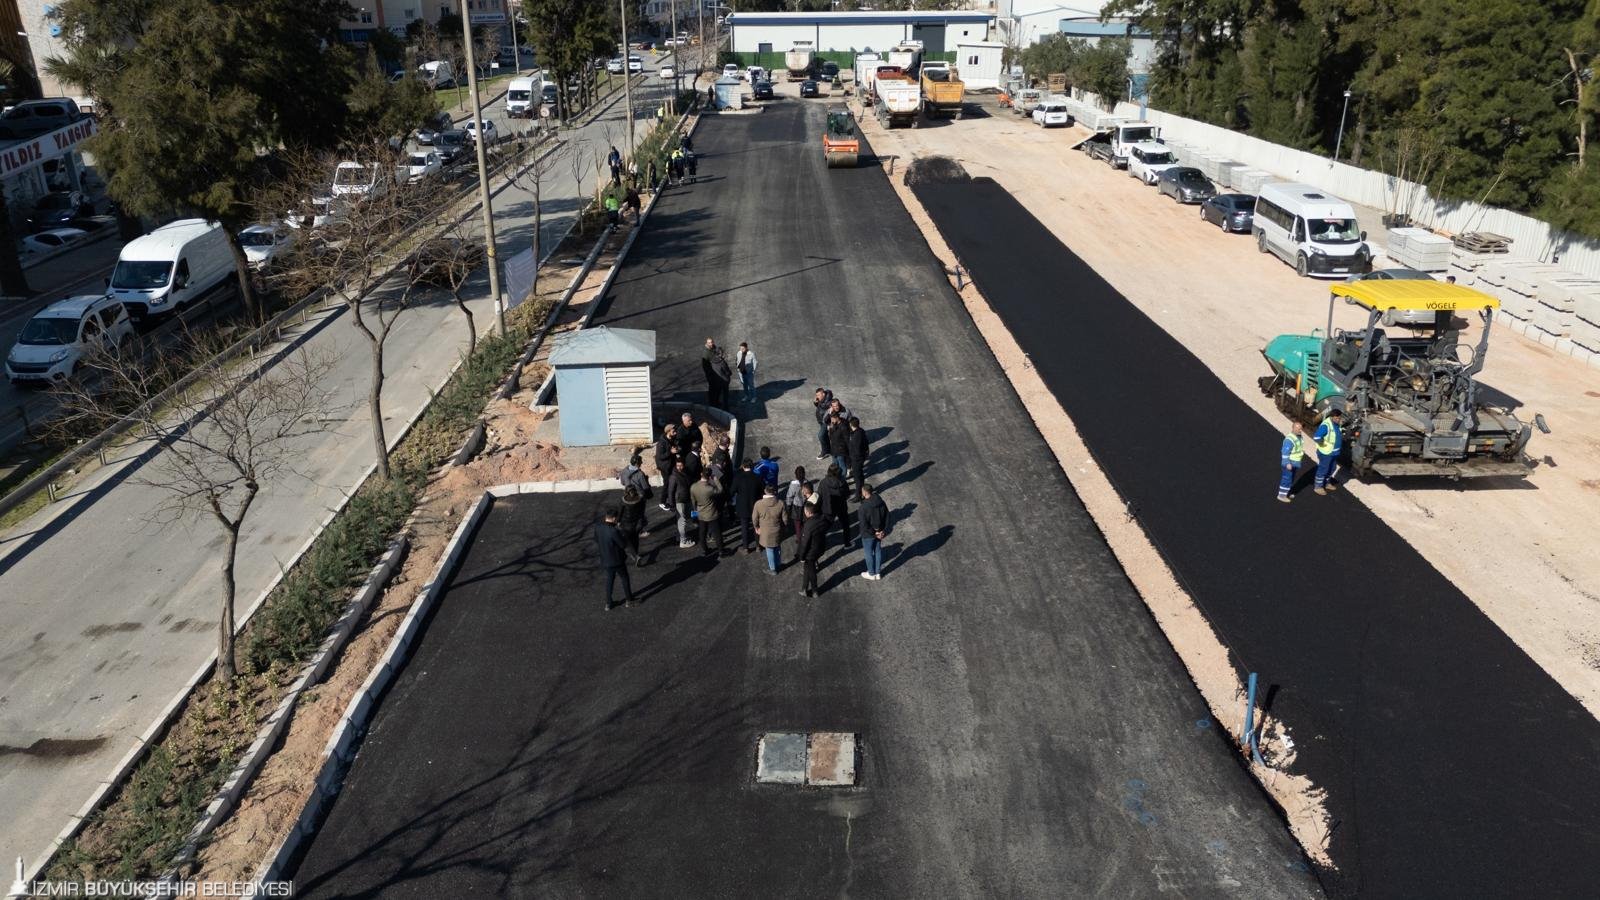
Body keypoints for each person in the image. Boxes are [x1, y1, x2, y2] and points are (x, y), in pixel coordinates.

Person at [594, 510, 636, 610]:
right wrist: (622, 532)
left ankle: (608, 603)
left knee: (610, 580)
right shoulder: (614, 531)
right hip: (617, 560)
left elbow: (596, 539)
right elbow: (623, 545)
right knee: (624, 578)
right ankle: (629, 600)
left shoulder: (598, 527)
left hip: (605, 560)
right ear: (613, 518)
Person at [857, 482, 889, 580]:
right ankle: (878, 573)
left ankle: (871, 573)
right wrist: (882, 530)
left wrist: (874, 533)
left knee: (869, 552)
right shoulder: (881, 502)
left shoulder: (863, 507)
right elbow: (887, 516)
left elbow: (864, 524)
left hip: (868, 534)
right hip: (880, 532)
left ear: (864, 493)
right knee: (878, 550)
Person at [816, 464, 853, 548]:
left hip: (828, 507)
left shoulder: (823, 482)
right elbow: (847, 494)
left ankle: (819, 544)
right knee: (845, 525)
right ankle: (847, 543)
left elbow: (819, 495)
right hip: (841, 507)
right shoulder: (842, 482)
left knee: (824, 527)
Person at [689, 470, 725, 556]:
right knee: (717, 533)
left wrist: (695, 512)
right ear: (709, 477)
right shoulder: (709, 489)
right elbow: (720, 490)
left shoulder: (693, 487)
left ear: (701, 474)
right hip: (711, 513)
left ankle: (705, 550)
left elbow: (693, 501)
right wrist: (715, 479)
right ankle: (721, 550)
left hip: (701, 513)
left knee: (702, 532)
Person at [752, 484, 786, 574]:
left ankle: (772, 569)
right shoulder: (781, 503)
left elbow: (754, 519)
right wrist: (783, 527)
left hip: (765, 532)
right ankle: (778, 564)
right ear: (775, 491)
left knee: (769, 549)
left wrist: (756, 527)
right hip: (777, 530)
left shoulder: (758, 504)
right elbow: (785, 519)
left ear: (765, 491)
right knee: (777, 547)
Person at [732, 458, 764, 553]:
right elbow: (762, 491)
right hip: (755, 505)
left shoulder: (738, 478)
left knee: (744, 527)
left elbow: (732, 491)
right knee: (756, 525)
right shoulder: (757, 477)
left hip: (743, 506)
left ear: (743, 466)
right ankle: (758, 546)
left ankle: (746, 547)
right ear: (752, 466)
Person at [618, 454, 653, 535]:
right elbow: (645, 487)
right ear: (637, 463)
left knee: (630, 514)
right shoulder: (640, 474)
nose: (641, 463)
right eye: (640, 462)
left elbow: (622, 482)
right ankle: (640, 531)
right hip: (639, 497)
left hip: (628, 496)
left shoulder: (624, 470)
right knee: (640, 514)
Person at [798, 504, 827, 598]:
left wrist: (801, 556)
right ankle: (804, 589)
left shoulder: (808, 525)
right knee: (807, 568)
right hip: (820, 548)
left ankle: (815, 590)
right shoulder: (822, 519)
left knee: (811, 571)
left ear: (808, 512)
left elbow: (804, 543)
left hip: (810, 553)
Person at [1312, 409, 1343, 495]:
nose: (1338, 420)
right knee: (1323, 469)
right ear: (1332, 417)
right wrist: (1322, 443)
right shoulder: (1326, 426)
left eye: (1339, 418)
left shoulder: (1337, 424)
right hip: (1326, 452)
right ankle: (1318, 487)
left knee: (1332, 468)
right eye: (1336, 418)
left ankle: (1326, 483)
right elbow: (1317, 437)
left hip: (1334, 452)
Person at [618, 486, 650, 565]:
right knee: (635, 539)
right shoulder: (640, 499)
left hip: (626, 523)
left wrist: (618, 521)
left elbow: (620, 512)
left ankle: (635, 556)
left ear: (626, 492)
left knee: (628, 540)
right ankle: (636, 554)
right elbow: (642, 511)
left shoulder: (623, 500)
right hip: (637, 523)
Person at [668, 458, 695, 548]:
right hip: (679, 501)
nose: (679, 467)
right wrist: (672, 504)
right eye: (678, 466)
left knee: (682, 519)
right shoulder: (673, 476)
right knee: (682, 521)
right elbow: (670, 491)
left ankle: (680, 536)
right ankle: (683, 541)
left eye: (681, 465)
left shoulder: (685, 473)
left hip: (685, 499)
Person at [1277, 421, 1306, 503]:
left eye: (1301, 429)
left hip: (1295, 462)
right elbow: (1285, 452)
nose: (1300, 430)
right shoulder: (1289, 440)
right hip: (1289, 463)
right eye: (1298, 429)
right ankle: (1281, 495)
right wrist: (1287, 463)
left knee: (1291, 478)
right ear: (1293, 428)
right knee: (1287, 479)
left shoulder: (1299, 437)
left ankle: (1287, 492)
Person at [654, 426, 679, 511]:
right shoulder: (661, 443)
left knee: (670, 482)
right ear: (668, 431)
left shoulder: (672, 439)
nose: (675, 432)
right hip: (664, 467)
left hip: (670, 464)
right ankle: (662, 502)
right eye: (673, 431)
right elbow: (660, 456)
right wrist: (671, 452)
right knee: (667, 484)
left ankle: (669, 497)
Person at [702, 338, 731, 408]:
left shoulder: (713, 348)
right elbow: (705, 366)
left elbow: (717, 355)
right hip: (712, 375)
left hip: (717, 373)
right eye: (709, 343)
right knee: (712, 390)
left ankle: (716, 402)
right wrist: (710, 376)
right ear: (706, 343)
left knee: (717, 389)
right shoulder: (706, 353)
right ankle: (713, 403)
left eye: (712, 342)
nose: (711, 344)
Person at [845, 416, 869, 500]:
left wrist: (852, 457)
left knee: (857, 478)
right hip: (860, 458)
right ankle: (862, 491)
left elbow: (856, 450)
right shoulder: (861, 431)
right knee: (860, 476)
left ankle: (858, 496)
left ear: (851, 425)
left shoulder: (856, 436)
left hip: (856, 460)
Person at [826, 413, 850, 481]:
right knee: (834, 465)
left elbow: (847, 440)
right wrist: (830, 429)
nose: (831, 421)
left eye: (832, 419)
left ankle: (842, 479)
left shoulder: (843, 427)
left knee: (842, 466)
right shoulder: (834, 425)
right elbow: (831, 437)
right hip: (834, 449)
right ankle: (835, 478)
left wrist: (846, 449)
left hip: (840, 450)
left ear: (837, 418)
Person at [813, 388, 835, 460]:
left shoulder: (829, 402)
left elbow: (832, 410)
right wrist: (815, 403)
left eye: (818, 395)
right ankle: (829, 450)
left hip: (826, 421)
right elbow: (820, 407)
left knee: (821, 435)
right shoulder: (821, 400)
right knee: (825, 435)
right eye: (816, 395)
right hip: (821, 420)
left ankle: (824, 451)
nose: (817, 397)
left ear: (823, 394)